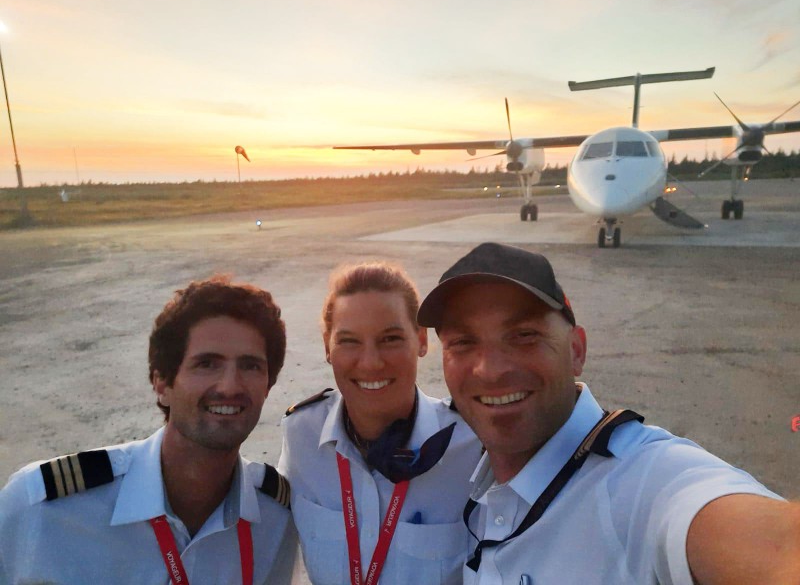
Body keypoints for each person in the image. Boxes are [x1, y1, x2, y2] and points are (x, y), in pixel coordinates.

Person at [417, 242, 800, 585]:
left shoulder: (645, 483)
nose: (490, 369)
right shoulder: (470, 479)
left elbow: (773, 546)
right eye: (463, 342)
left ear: (577, 350)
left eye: (524, 336)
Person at [0, 276, 297, 584]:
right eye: (207, 364)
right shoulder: (41, 509)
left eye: (250, 366)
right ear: (162, 384)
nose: (229, 386)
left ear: (267, 387)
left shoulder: (274, 519)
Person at [279, 262, 482, 585]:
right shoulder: (302, 435)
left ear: (422, 341)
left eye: (390, 338)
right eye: (349, 341)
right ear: (326, 346)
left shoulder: (471, 447)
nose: (371, 362)